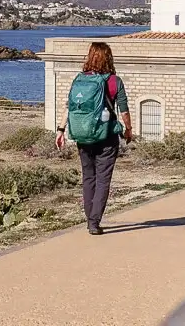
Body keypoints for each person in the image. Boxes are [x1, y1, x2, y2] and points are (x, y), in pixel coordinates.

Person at [56, 42, 132, 235]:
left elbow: (70, 107)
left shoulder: (79, 80)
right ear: (109, 58)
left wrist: (61, 130)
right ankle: (94, 222)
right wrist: (128, 130)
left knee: (88, 178)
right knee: (103, 180)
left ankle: (90, 219)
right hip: (106, 137)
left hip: (83, 136)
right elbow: (123, 110)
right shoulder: (115, 81)